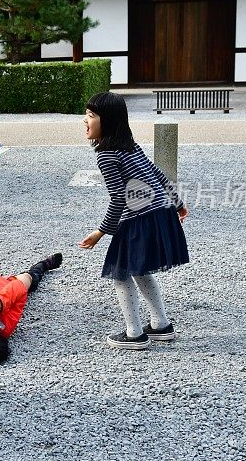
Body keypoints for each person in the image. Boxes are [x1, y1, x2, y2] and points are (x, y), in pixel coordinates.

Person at [78, 92, 189, 350]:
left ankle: (134, 334)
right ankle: (161, 325)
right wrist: (178, 204)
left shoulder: (106, 155)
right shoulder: (130, 146)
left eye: (91, 116)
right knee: (138, 269)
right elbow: (158, 174)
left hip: (140, 218)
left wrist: (100, 232)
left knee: (121, 274)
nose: (85, 120)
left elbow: (118, 198)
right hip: (160, 212)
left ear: (109, 121)